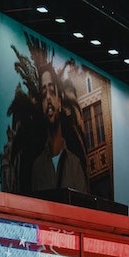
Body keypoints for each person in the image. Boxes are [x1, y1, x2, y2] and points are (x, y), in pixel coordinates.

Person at [30, 61, 89, 193]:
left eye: (51, 91)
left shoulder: (75, 164)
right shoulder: (37, 166)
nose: (48, 99)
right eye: (44, 95)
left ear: (60, 102)